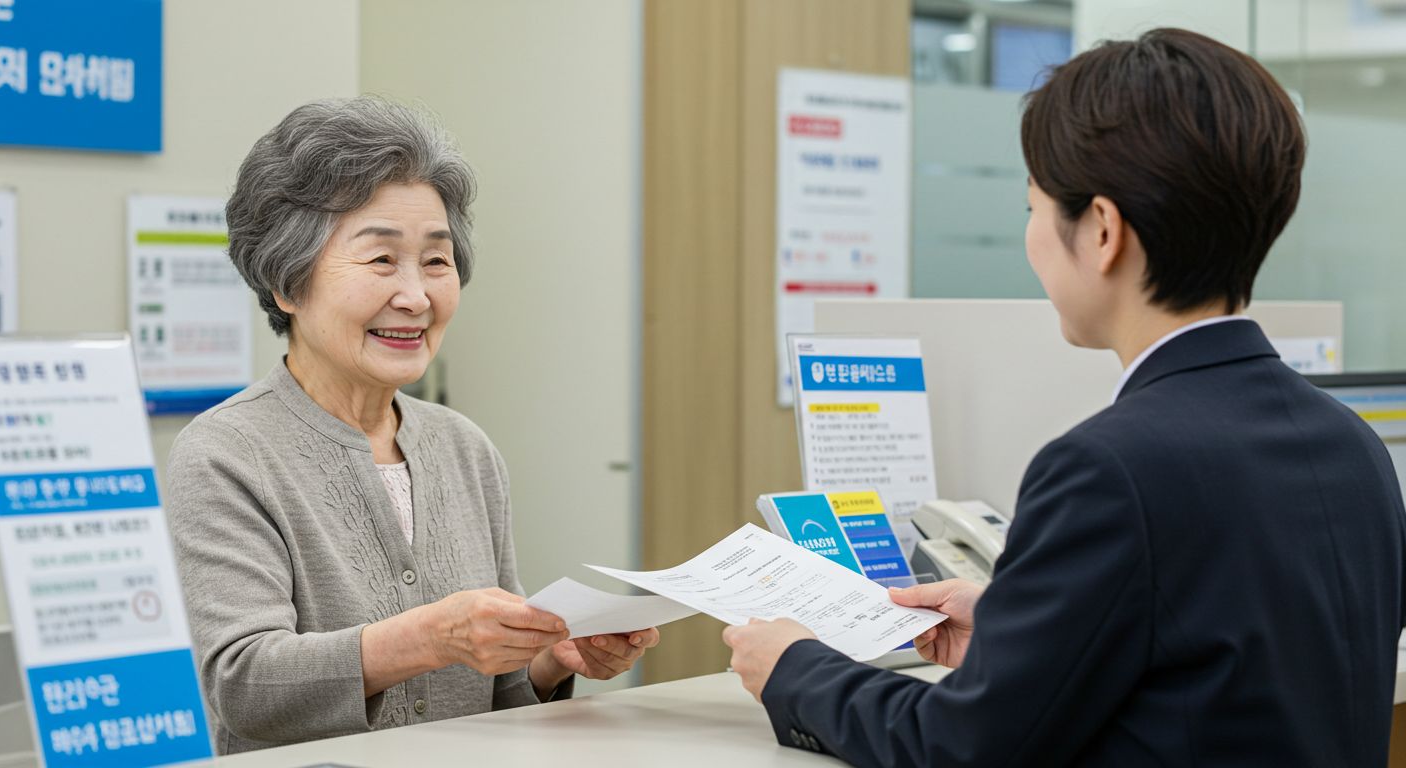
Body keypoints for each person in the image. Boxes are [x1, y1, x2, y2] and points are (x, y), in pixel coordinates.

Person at [723, 28, 1406, 767]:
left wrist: (794, 667)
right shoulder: (1350, 444)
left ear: (1103, 230)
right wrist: (1025, 629)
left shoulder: (1110, 467)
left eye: (1034, 210)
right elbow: (1230, 669)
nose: (1032, 241)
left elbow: (958, 747)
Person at [167, 96, 658, 754]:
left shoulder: (465, 449)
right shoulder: (226, 453)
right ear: (287, 284)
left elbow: (500, 696)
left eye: (436, 260)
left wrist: (550, 660)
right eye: (379, 261)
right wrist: (429, 638)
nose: (416, 296)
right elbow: (246, 687)